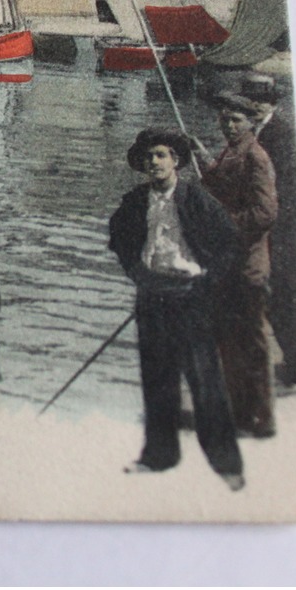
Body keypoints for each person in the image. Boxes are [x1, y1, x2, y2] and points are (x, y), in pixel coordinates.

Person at [108, 128, 246, 490]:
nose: (154, 162)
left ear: (176, 161)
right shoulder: (136, 201)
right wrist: (136, 272)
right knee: (157, 378)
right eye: (149, 157)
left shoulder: (197, 199)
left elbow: (230, 241)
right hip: (152, 295)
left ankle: (226, 465)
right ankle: (159, 457)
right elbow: (117, 236)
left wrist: (208, 279)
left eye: (161, 155)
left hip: (189, 297)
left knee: (204, 380)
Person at [200, 93, 280, 437]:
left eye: (236, 120)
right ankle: (241, 414)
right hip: (230, 265)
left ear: (250, 121)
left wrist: (223, 225)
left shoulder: (256, 157)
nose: (229, 126)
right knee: (229, 340)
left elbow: (264, 213)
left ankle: (262, 418)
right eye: (225, 119)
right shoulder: (232, 152)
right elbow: (222, 183)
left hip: (247, 265)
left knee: (251, 342)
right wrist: (202, 160)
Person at [243, 72, 296, 390]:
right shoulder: (257, 133)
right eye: (250, 100)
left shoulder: (280, 135)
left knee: (285, 299)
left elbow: (283, 188)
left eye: (260, 100)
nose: (255, 105)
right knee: (274, 299)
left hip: (281, 232)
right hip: (269, 230)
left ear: (271, 102)